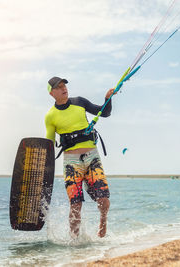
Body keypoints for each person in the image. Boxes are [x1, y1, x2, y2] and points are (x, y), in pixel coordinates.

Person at [45, 76, 114, 238]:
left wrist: (107, 98)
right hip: (71, 163)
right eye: (59, 87)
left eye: (64, 85)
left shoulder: (79, 102)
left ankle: (102, 226)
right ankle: (74, 241)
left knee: (103, 200)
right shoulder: (50, 116)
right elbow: (49, 145)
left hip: (92, 158)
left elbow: (104, 112)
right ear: (52, 93)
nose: (64, 89)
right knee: (75, 205)